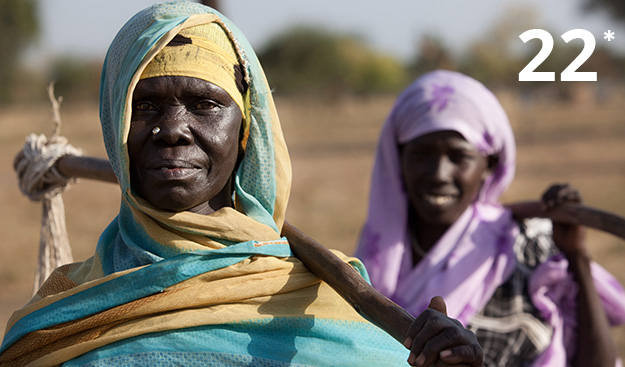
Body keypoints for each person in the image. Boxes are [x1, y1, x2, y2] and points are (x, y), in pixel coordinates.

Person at [0, 4, 482, 366]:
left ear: (246, 128)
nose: (172, 129)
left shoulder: (323, 305)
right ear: (114, 123)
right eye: (144, 106)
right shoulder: (61, 313)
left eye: (205, 104)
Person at [355, 69, 625, 367]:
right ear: (398, 158)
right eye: (421, 154)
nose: (438, 175)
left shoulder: (526, 246)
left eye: (459, 157)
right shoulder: (375, 254)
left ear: (489, 165)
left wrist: (576, 255)